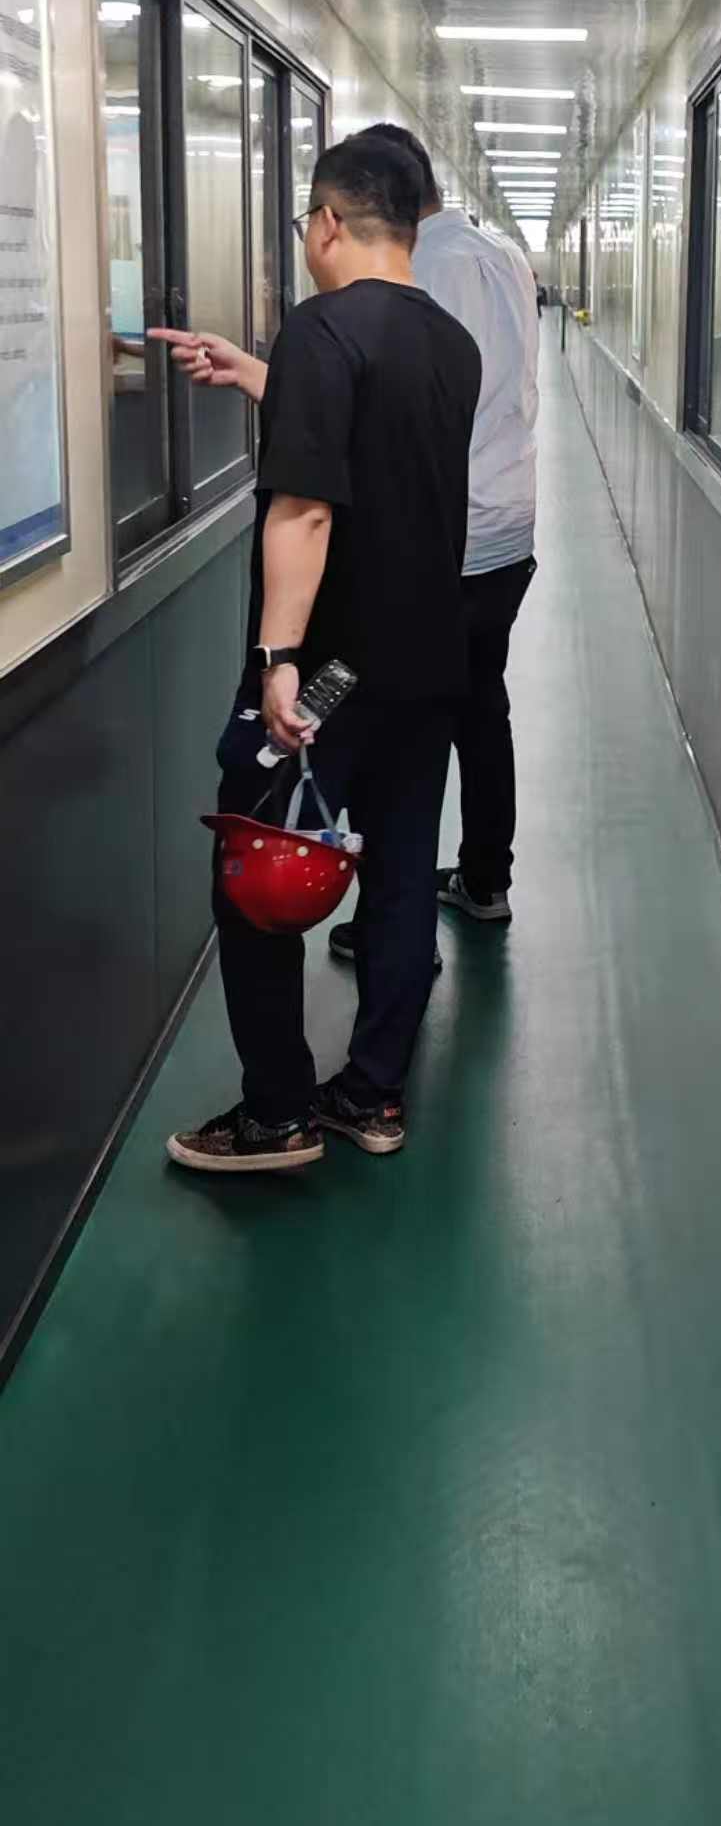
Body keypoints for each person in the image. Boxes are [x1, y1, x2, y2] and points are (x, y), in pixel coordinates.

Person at [151, 134, 481, 1175]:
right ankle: (372, 1092)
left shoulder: (320, 328)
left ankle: (276, 1112)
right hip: (426, 662)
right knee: (398, 874)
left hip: (331, 672)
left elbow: (307, 509)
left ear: (329, 222)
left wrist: (278, 658)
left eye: (306, 224)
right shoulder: (451, 343)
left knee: (254, 871)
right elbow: (377, 440)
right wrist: (261, 376)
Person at [330, 123, 539, 936]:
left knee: (401, 729)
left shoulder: (425, 274)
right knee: (482, 709)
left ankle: (394, 927)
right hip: (508, 529)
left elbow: (403, 411)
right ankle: (485, 880)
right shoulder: (504, 256)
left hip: (443, 536)